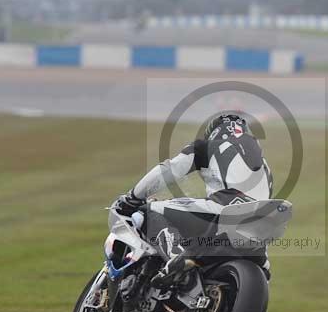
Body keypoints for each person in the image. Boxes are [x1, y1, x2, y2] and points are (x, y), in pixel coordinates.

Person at [112, 113, 273, 285]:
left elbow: (169, 170)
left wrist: (132, 197)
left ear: (213, 132)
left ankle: (176, 257)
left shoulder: (210, 146)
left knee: (148, 211)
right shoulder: (266, 168)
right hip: (257, 235)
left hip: (224, 211)